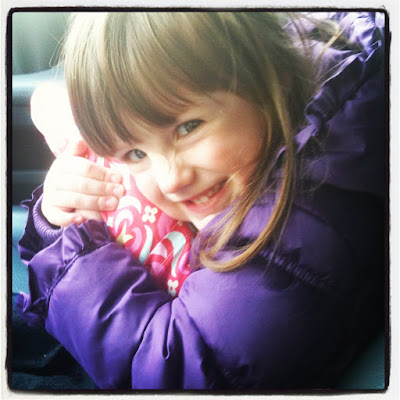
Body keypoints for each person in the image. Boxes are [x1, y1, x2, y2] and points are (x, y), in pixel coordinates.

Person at [17, 11, 386, 389]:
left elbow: (174, 371)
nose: (171, 180)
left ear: (272, 79)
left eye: (188, 127)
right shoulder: (262, 158)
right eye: (135, 154)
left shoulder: (300, 225)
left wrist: (73, 255)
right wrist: (61, 220)